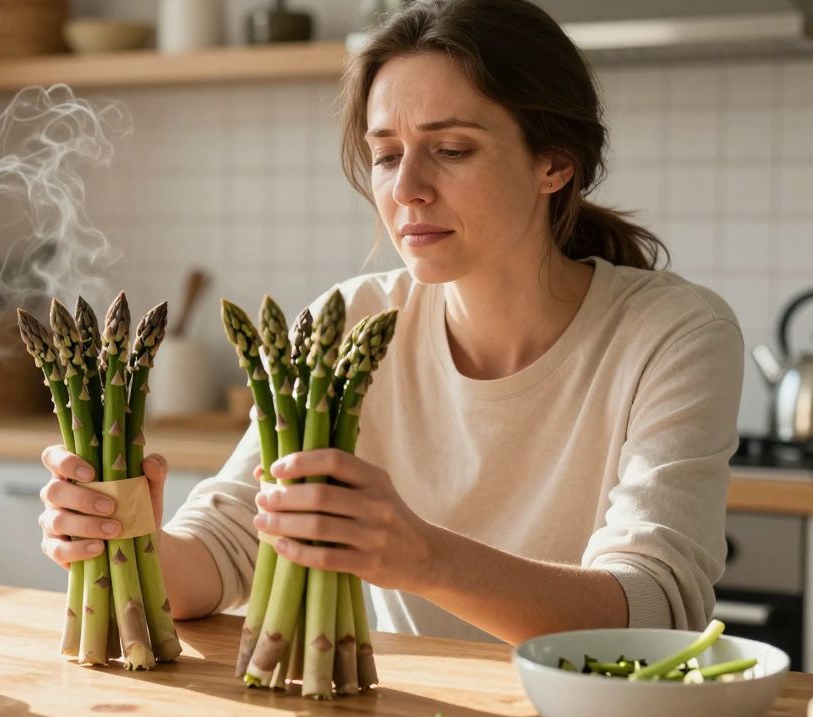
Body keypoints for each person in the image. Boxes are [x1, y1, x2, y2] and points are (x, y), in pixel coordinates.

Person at [36, 0, 742, 645]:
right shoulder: (351, 321)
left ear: (554, 162)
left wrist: (421, 557)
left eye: (452, 149)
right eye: (385, 155)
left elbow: (656, 608)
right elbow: (227, 549)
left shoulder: (673, 333)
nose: (405, 189)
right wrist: (122, 533)